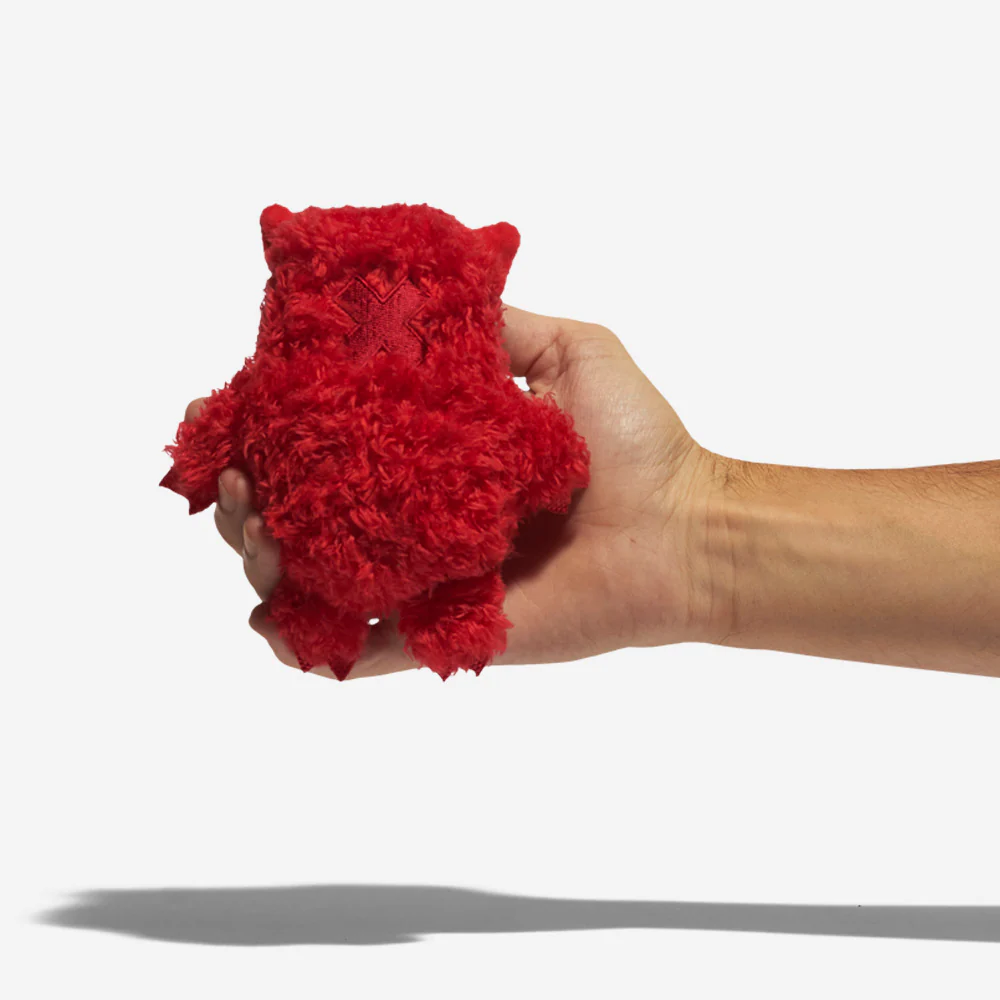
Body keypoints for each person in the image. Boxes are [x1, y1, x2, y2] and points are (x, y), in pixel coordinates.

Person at [186, 306, 1000, 681]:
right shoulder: (289, 389)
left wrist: (676, 525)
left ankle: (402, 608)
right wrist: (679, 535)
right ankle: (343, 608)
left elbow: (550, 454)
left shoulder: (471, 402)